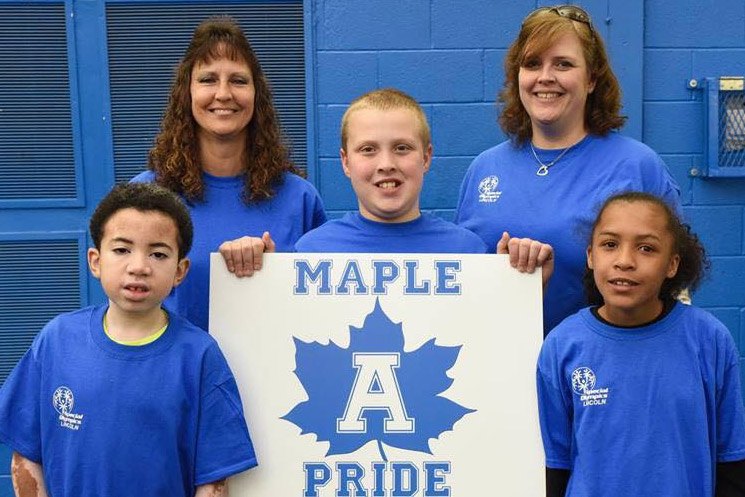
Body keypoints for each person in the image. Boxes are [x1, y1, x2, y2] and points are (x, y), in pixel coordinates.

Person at [0, 183, 257, 497]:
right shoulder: (56, 341)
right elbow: (26, 452)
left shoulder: (200, 356)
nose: (139, 267)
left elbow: (214, 480)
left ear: (180, 270)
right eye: (122, 250)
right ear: (95, 260)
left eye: (158, 254)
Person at [454, 5, 681, 334]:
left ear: (591, 79)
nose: (545, 77)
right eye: (532, 64)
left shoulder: (637, 166)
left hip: (599, 372)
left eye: (563, 64)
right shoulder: (484, 169)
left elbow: (673, 284)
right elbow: (463, 282)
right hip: (497, 366)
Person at [537, 192, 745, 497]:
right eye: (609, 245)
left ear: (672, 264)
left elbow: (732, 460)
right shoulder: (562, 345)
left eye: (646, 248)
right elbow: (554, 466)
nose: (624, 261)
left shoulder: (709, 339)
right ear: (591, 256)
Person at [133, 16, 326, 331]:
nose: (223, 94)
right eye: (208, 79)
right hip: (176, 378)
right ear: (187, 93)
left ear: (256, 94)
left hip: (271, 375)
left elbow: (320, 312)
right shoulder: (146, 196)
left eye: (238, 80)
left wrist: (276, 273)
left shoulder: (300, 198)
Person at [295, 88, 554, 285]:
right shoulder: (311, 252)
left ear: (426, 158)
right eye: (368, 150)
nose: (386, 164)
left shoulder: (467, 251)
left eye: (402, 148)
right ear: (346, 162)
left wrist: (523, 282)